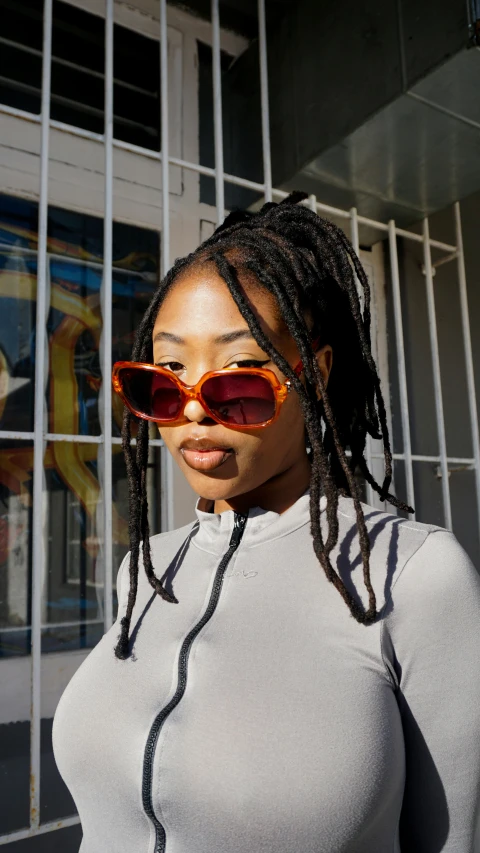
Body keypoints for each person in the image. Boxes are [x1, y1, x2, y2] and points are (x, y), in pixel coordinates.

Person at [53, 193, 480, 853]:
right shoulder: (144, 571)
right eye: (164, 381)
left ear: (315, 372)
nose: (193, 411)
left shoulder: (415, 574)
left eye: (239, 380)